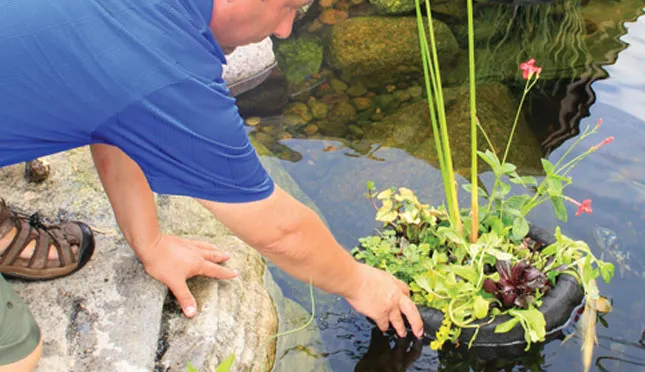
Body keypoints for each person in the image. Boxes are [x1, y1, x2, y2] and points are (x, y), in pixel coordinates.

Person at [0, 0, 423, 370]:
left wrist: (151, 245)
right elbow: (280, 232)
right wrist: (361, 282)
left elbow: (114, 121)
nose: (286, 30)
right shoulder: (166, 65)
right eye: (288, 8)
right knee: (19, 353)